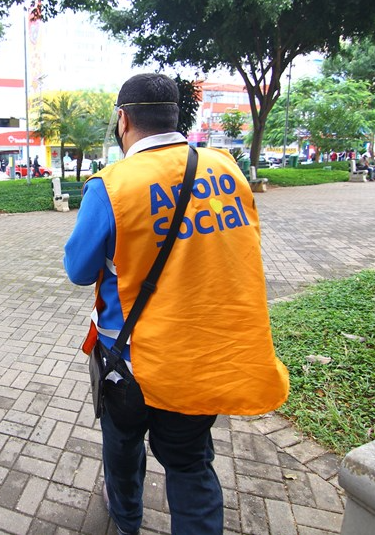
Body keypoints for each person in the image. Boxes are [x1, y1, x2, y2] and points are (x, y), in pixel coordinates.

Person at [63, 73, 289, 535]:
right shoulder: (226, 168)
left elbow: (79, 270)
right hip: (201, 356)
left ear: (123, 120)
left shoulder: (111, 186)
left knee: (123, 449)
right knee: (190, 464)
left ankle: (126, 520)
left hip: (129, 361)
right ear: (175, 116)